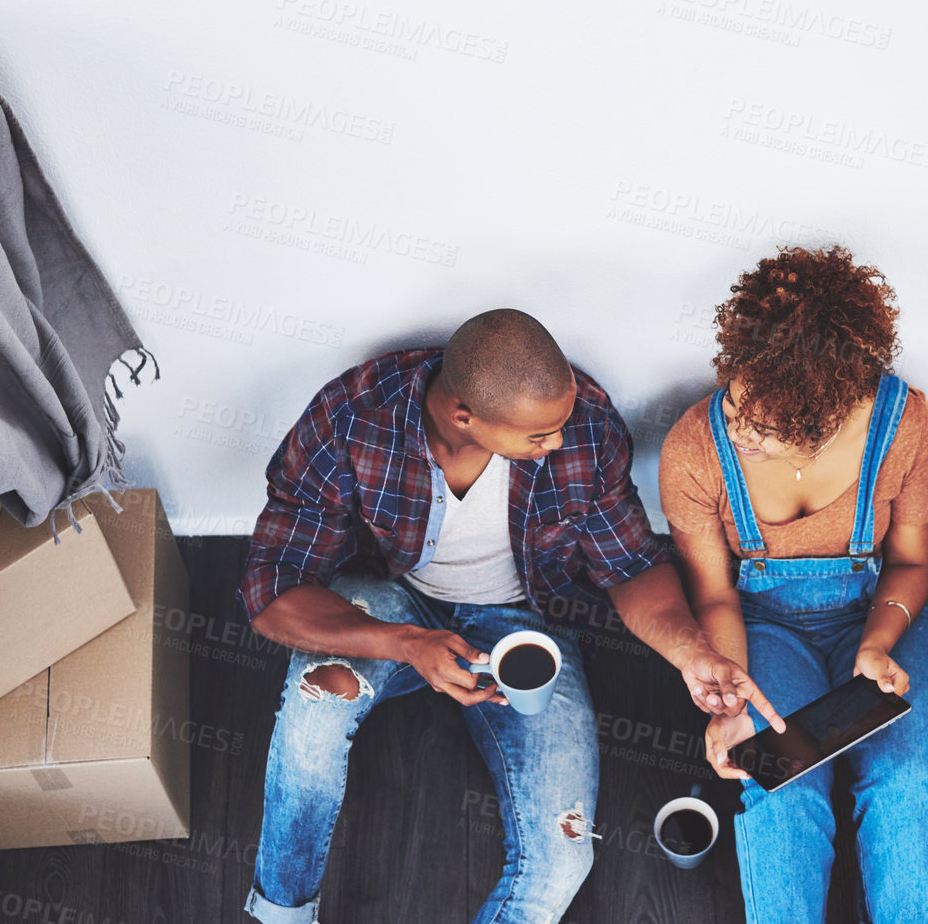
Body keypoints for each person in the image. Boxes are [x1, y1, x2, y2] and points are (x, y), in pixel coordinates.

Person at [239, 308, 780, 924]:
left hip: (525, 623)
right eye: (538, 438)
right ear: (462, 417)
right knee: (315, 711)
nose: (558, 442)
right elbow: (271, 591)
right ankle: (280, 913)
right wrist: (407, 642)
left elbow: (630, 566)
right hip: (392, 606)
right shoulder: (354, 419)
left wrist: (692, 652)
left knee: (561, 857)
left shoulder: (585, 426)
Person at [658, 246, 928, 924]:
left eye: (763, 427)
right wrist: (728, 698)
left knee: (907, 786)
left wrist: (879, 644)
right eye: (736, 397)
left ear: (827, 421)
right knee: (780, 789)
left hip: (885, 610)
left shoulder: (908, 430)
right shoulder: (693, 449)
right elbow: (713, 594)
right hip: (762, 623)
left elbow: (912, 564)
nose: (738, 428)